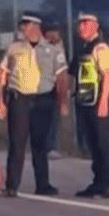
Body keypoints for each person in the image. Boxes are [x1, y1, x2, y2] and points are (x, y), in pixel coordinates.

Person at [0, 13, 67, 197]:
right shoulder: (14, 48)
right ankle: (12, 185)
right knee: (17, 143)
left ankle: (42, 184)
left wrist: (63, 102)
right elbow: (2, 73)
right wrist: (0, 101)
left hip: (43, 100)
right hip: (20, 99)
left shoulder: (53, 50)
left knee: (40, 144)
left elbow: (61, 77)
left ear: (35, 26)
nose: (22, 29)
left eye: (25, 25)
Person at [71, 13, 109, 198]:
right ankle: (98, 181)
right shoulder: (83, 48)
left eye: (85, 24)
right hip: (86, 100)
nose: (81, 27)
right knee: (93, 142)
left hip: (99, 100)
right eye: (80, 24)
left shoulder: (101, 48)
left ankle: (108, 183)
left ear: (95, 26)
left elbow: (107, 75)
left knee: (103, 142)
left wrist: (104, 103)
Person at [43, 20, 65, 155]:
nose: (57, 34)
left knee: (55, 118)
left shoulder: (59, 45)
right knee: (46, 118)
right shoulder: (43, 47)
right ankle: (47, 145)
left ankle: (52, 145)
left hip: (57, 86)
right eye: (55, 31)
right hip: (46, 86)